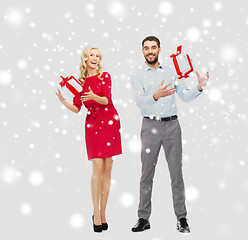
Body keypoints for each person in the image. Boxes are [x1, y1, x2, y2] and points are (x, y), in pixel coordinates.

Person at [131, 36, 209, 233]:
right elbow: (140, 102)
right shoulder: (137, 75)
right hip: (150, 126)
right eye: (146, 48)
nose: (150, 51)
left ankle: (181, 218)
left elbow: (184, 96)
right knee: (146, 174)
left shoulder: (171, 72)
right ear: (142, 51)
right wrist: (156, 95)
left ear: (159, 50)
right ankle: (143, 218)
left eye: (153, 47)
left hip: (172, 126)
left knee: (176, 174)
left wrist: (198, 87)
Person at [56, 46, 122, 233]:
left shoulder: (105, 76)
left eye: (98, 55)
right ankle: (95, 212)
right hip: (93, 125)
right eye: (92, 55)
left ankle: (103, 213)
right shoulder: (79, 83)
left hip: (110, 121)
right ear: (85, 59)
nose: (95, 58)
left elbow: (106, 100)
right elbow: (77, 108)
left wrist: (94, 96)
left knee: (108, 168)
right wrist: (64, 102)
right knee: (97, 168)